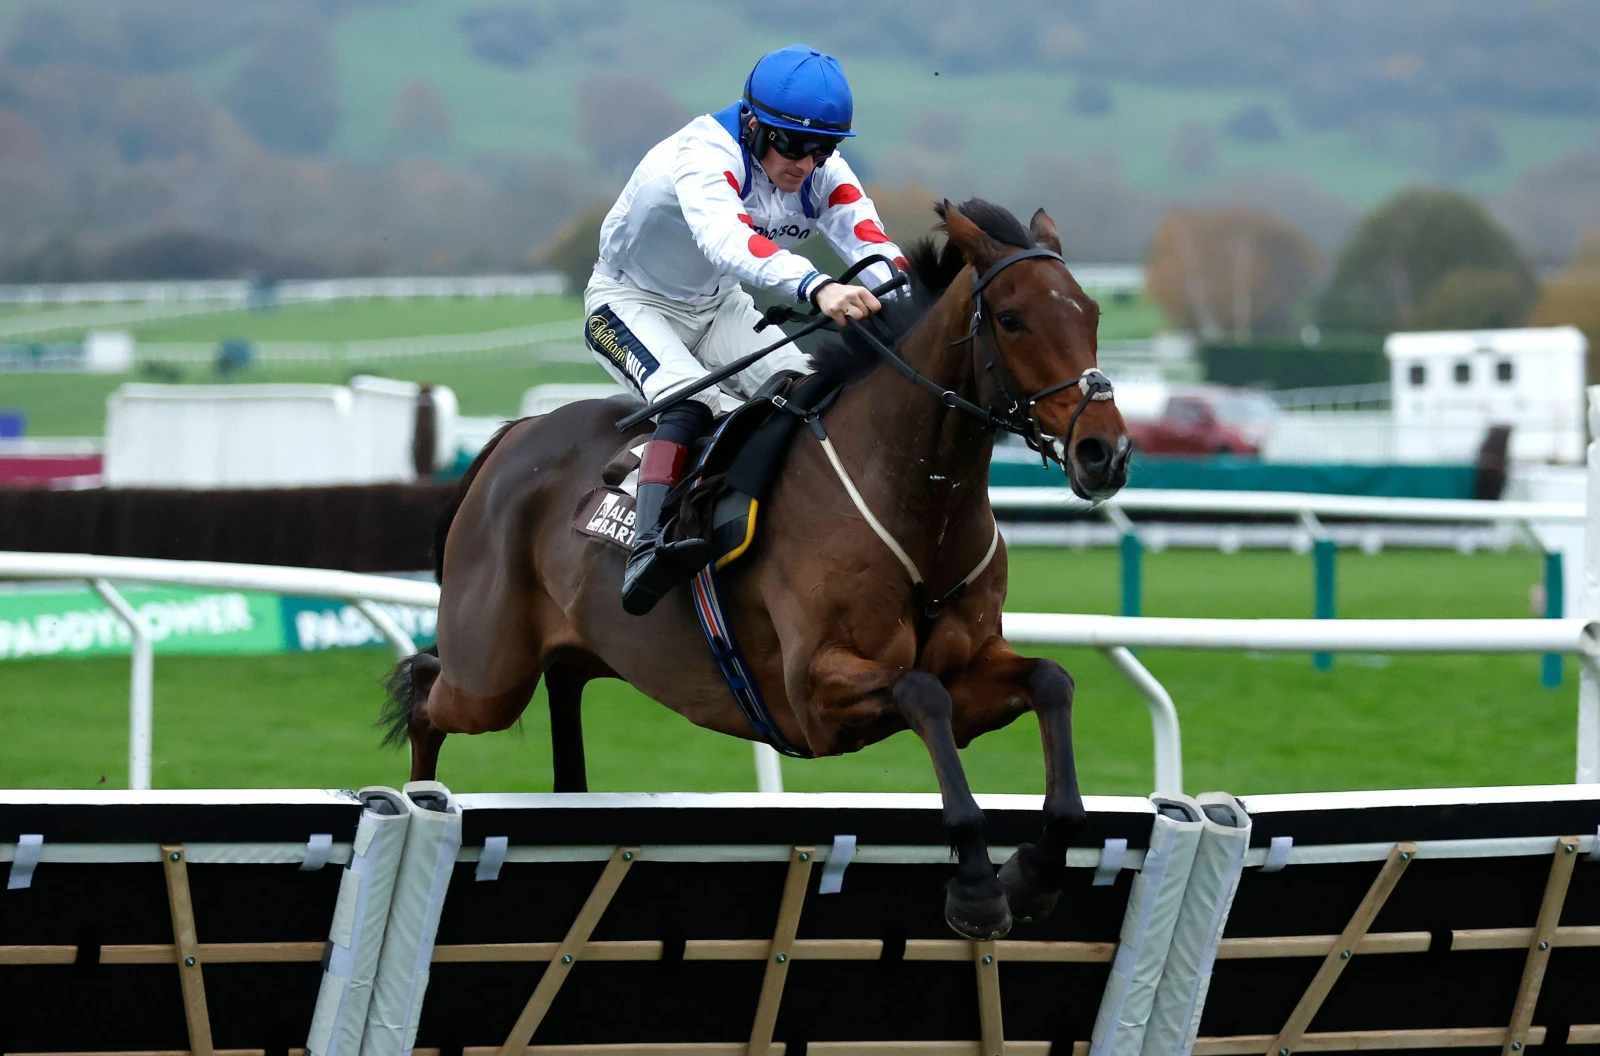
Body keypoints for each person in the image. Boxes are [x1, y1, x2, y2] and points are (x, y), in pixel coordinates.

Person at [585, 44, 908, 615]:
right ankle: (646, 545)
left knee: (812, 393)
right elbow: (728, 242)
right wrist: (817, 287)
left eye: (823, 148)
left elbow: (872, 245)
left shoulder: (820, 170)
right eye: (792, 142)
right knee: (695, 403)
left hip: (718, 306)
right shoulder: (702, 152)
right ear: (753, 122)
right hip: (628, 304)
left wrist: (921, 305)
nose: (806, 162)